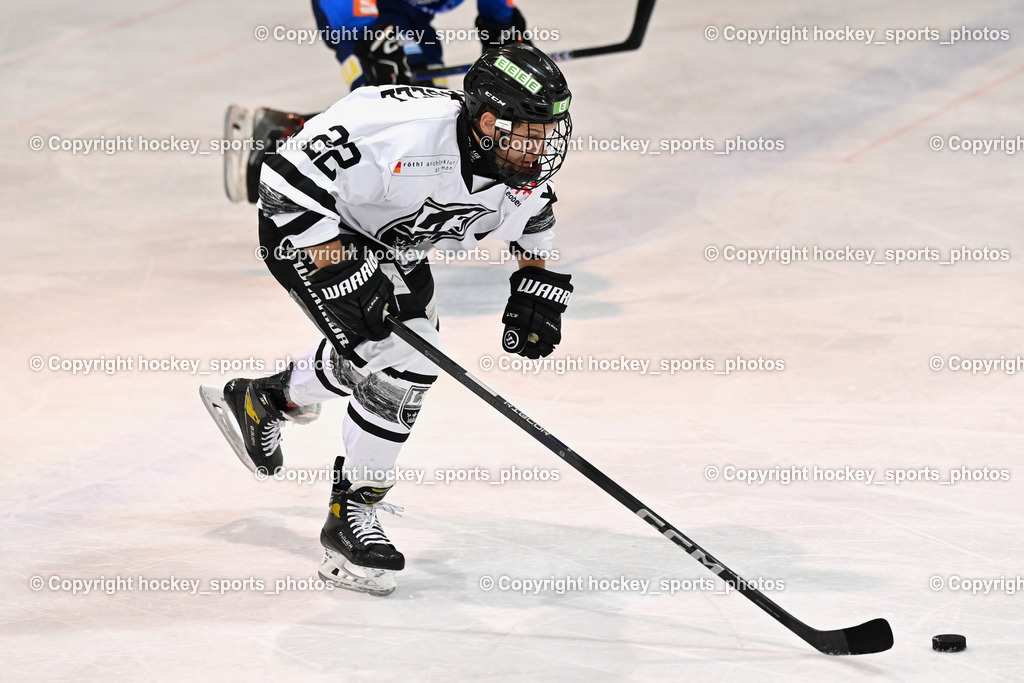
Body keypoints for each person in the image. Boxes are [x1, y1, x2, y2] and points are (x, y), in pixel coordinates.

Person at [201, 42, 574, 596]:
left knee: (384, 355)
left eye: (550, 133)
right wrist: (341, 266)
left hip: (391, 243)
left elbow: (534, 213)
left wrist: (536, 282)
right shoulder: (394, 132)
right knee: (406, 360)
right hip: (314, 232)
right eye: (529, 134)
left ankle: (267, 400)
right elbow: (281, 186)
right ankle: (351, 515)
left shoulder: (510, 160)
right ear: (489, 122)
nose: (541, 148)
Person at [223, 0, 532, 203]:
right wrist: (366, 33)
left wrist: (505, 33)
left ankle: (284, 135)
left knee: (435, 114)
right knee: (391, 101)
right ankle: (288, 151)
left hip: (411, 16)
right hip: (356, 7)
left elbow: (499, 18)